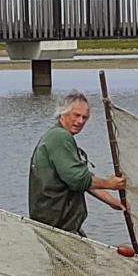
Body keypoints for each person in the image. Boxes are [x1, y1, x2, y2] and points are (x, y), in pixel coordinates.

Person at [28, 90, 127, 234]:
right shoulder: (59, 137)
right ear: (63, 113)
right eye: (76, 115)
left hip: (58, 224)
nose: (80, 121)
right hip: (56, 226)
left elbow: (83, 180)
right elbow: (78, 180)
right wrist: (110, 184)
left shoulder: (57, 136)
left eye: (85, 117)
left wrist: (115, 203)